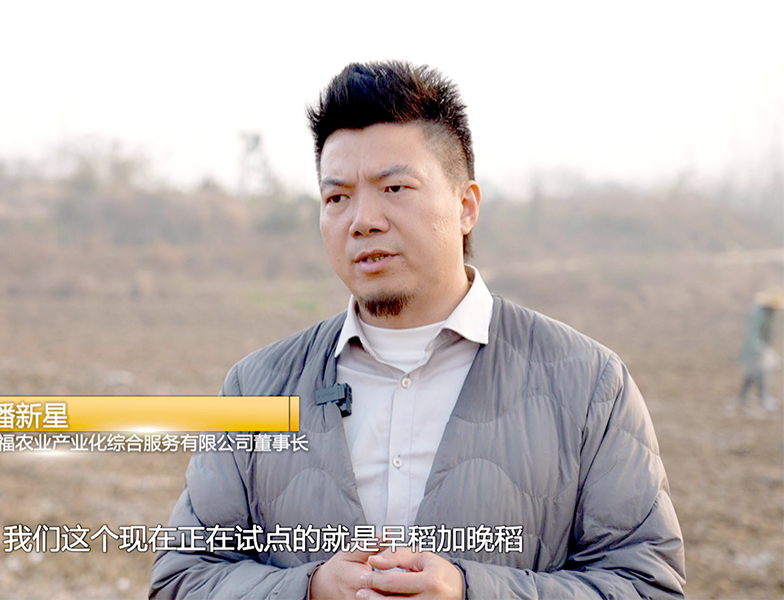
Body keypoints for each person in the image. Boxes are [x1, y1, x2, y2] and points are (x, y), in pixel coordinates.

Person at [150, 61, 685, 599]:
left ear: (465, 206)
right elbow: (183, 578)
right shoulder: (255, 387)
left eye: (395, 187)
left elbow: (647, 584)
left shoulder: (590, 385)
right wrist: (307, 590)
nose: (363, 220)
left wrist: (472, 592)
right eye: (337, 198)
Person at [739, 290, 784, 410]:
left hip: (760, 347)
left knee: (753, 372)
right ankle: (762, 398)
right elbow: (754, 333)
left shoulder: (769, 314)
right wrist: (760, 349)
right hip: (755, 348)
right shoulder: (760, 314)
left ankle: (744, 396)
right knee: (760, 372)